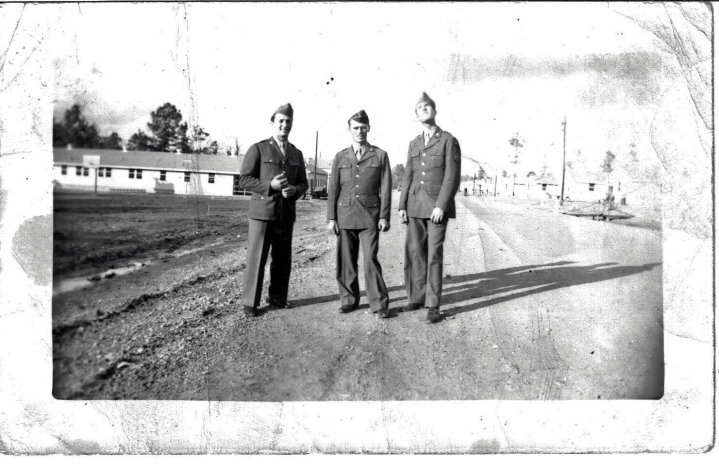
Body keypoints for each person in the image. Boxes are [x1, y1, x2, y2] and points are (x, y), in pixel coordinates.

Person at [238, 103, 308, 318]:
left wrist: (294, 191)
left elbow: (304, 184)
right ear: (273, 123)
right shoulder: (258, 148)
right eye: (280, 121)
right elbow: (244, 179)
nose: (284, 125)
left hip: (285, 214)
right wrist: (270, 186)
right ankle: (250, 303)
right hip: (262, 214)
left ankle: (278, 297)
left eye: (288, 122)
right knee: (257, 258)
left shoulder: (296, 153)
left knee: (282, 258)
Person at [398, 92, 462, 324]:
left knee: (434, 255)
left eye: (428, 107)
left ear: (434, 111)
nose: (424, 110)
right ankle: (415, 297)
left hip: (436, 208)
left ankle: (433, 305)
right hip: (415, 205)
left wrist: (441, 206)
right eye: (420, 108)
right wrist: (402, 205)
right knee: (414, 252)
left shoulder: (448, 140)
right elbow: (408, 175)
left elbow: (451, 177)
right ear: (416, 115)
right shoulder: (414, 143)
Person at [327, 110, 392, 319]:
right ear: (349, 130)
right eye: (355, 127)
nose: (359, 131)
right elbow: (333, 189)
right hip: (345, 214)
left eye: (363, 127)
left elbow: (386, 187)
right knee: (346, 260)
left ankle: (379, 303)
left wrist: (384, 216)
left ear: (369, 128)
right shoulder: (340, 156)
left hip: (370, 216)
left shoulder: (379, 155)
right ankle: (348, 300)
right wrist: (331, 218)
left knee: (370, 259)